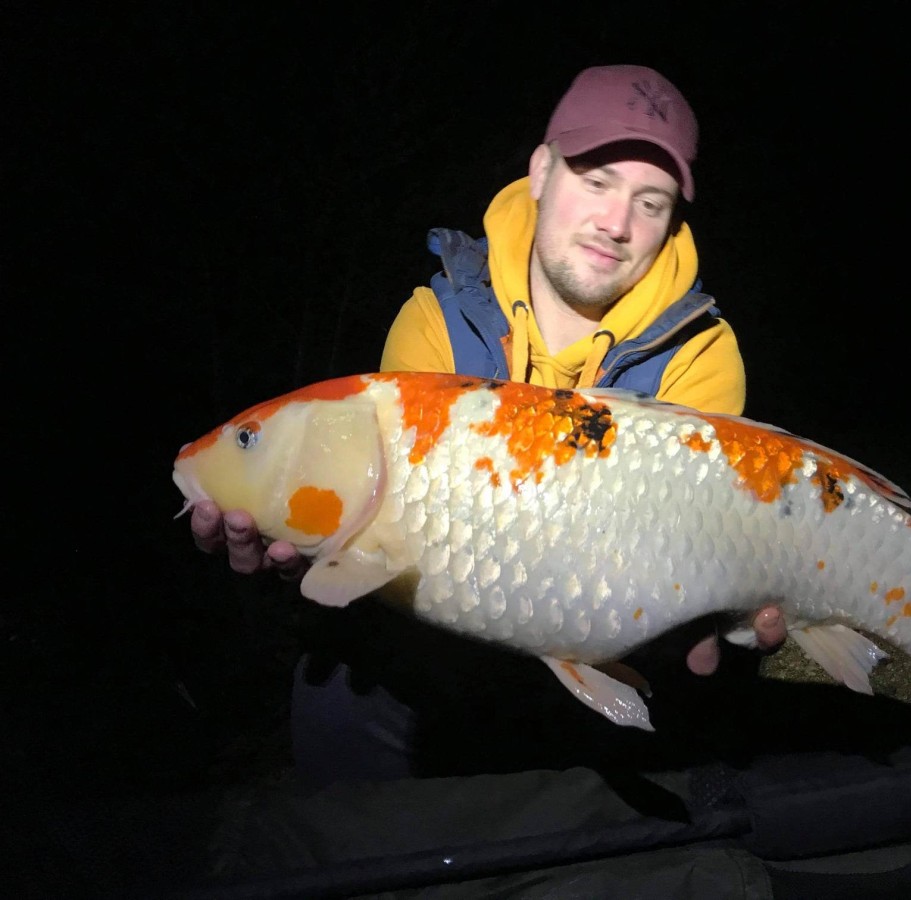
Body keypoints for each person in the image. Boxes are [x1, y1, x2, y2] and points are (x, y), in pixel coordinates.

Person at [190, 64, 786, 782]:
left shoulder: (702, 355)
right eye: (596, 182)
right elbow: (396, 551)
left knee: (698, 681)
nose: (617, 224)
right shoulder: (435, 324)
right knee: (339, 683)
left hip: (614, 637)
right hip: (441, 664)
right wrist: (309, 548)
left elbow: (684, 562)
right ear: (541, 170)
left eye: (650, 202)